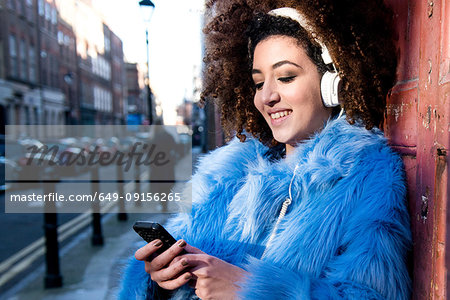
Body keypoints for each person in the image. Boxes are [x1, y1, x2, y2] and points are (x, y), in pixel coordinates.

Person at [119, 1, 412, 299]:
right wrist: (158, 279)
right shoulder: (222, 176)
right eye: (258, 83)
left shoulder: (368, 177)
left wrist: (251, 289)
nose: (267, 97)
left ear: (332, 83)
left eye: (286, 77)